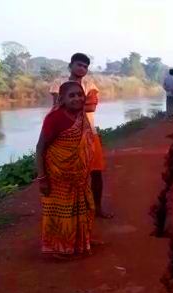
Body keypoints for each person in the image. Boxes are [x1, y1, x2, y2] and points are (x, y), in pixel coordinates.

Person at [36, 81, 94, 259]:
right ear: (62, 99)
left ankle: (78, 244)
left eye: (79, 94)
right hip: (57, 175)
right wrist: (42, 178)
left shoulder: (82, 116)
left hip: (79, 176)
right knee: (60, 211)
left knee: (80, 209)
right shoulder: (54, 118)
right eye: (72, 95)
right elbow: (40, 147)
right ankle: (59, 248)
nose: (77, 98)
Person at [49, 53, 111, 219]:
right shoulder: (58, 83)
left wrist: (68, 104)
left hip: (89, 133)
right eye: (79, 65)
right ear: (71, 65)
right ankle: (71, 210)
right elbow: (55, 108)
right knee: (69, 175)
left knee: (96, 172)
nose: (82, 69)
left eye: (85, 66)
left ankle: (97, 208)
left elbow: (91, 106)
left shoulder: (90, 84)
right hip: (65, 135)